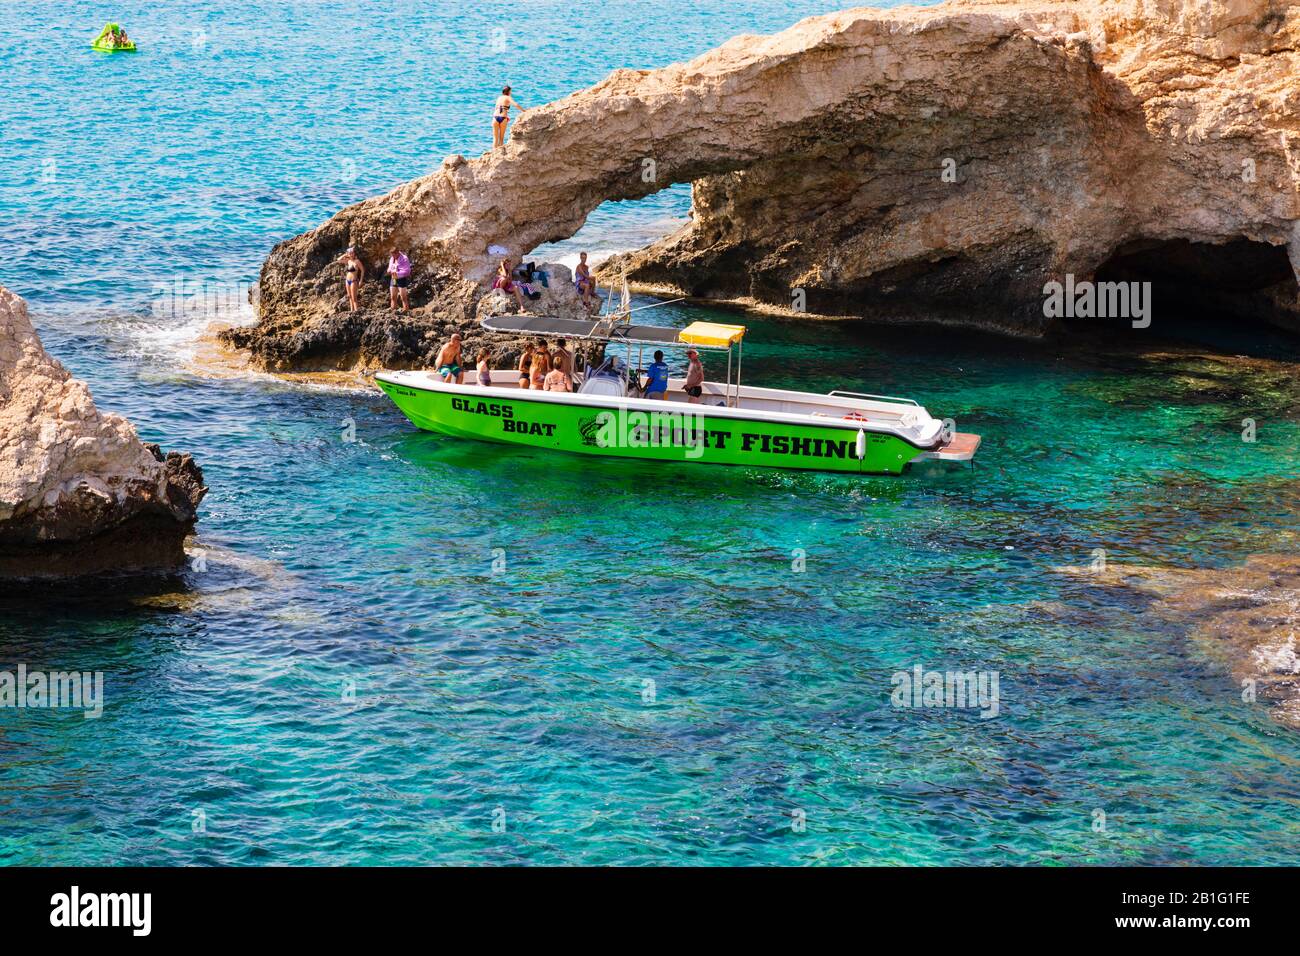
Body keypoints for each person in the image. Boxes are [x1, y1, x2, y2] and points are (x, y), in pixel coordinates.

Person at [492, 86, 523, 150]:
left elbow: (496, 108)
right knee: (501, 139)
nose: (511, 92)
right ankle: (499, 154)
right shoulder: (508, 97)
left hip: (495, 118)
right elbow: (516, 104)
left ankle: (493, 153)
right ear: (508, 92)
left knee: (495, 138)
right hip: (503, 118)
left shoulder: (499, 98)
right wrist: (524, 111)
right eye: (511, 91)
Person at [335, 247, 364, 312]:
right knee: (349, 296)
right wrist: (345, 255)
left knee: (354, 298)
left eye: (352, 253)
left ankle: (356, 311)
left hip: (354, 280)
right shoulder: (348, 261)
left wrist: (361, 281)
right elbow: (338, 260)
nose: (351, 254)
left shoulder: (357, 261)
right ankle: (351, 311)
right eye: (350, 253)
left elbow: (362, 270)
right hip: (347, 281)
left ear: (354, 253)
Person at [387, 246, 411, 312]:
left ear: (397, 253)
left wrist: (397, 273)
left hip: (401, 279)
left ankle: (406, 311)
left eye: (394, 255)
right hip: (393, 278)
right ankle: (393, 311)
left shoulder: (404, 258)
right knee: (392, 297)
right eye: (391, 255)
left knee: (403, 297)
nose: (392, 256)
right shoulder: (392, 258)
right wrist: (389, 270)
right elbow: (390, 267)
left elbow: (407, 271)